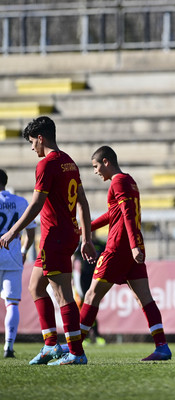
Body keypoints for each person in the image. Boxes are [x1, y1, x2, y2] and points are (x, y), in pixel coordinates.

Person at [0, 116, 96, 366]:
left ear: (41, 138)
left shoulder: (46, 165)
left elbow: (36, 204)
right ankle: (51, 346)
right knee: (35, 286)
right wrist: (86, 237)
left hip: (55, 236)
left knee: (62, 295)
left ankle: (76, 353)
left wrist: (13, 231)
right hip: (66, 234)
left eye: (33, 142)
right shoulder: (69, 162)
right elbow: (83, 202)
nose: (32, 148)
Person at [78, 145, 171, 361]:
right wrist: (86, 228)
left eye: (96, 166)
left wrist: (131, 246)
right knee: (144, 298)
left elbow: (128, 216)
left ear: (106, 162)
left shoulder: (118, 182)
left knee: (91, 295)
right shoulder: (129, 181)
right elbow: (114, 215)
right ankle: (162, 347)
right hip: (132, 246)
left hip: (119, 247)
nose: (95, 171)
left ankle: (74, 348)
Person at [0, 169, 36, 358]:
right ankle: (8, 347)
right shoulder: (21, 202)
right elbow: (31, 233)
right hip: (12, 256)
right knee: (11, 304)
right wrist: (23, 251)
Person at [72, 234, 106, 346]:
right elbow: (73, 258)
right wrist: (72, 276)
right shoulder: (82, 244)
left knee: (92, 303)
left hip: (97, 276)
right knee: (85, 304)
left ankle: (94, 334)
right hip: (84, 277)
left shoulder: (101, 244)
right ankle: (86, 336)